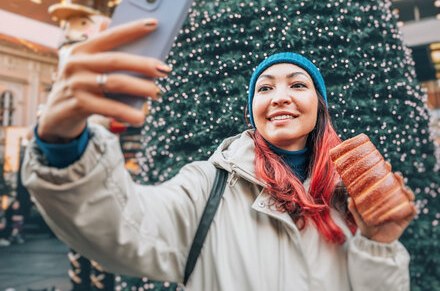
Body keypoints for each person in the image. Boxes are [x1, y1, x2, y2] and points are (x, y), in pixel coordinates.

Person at [22, 19, 416, 290]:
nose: (280, 96)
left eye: (298, 85)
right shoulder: (208, 185)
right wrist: (63, 144)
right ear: (253, 112)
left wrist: (378, 245)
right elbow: (121, 226)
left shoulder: (351, 200)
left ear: (319, 106)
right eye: (264, 89)